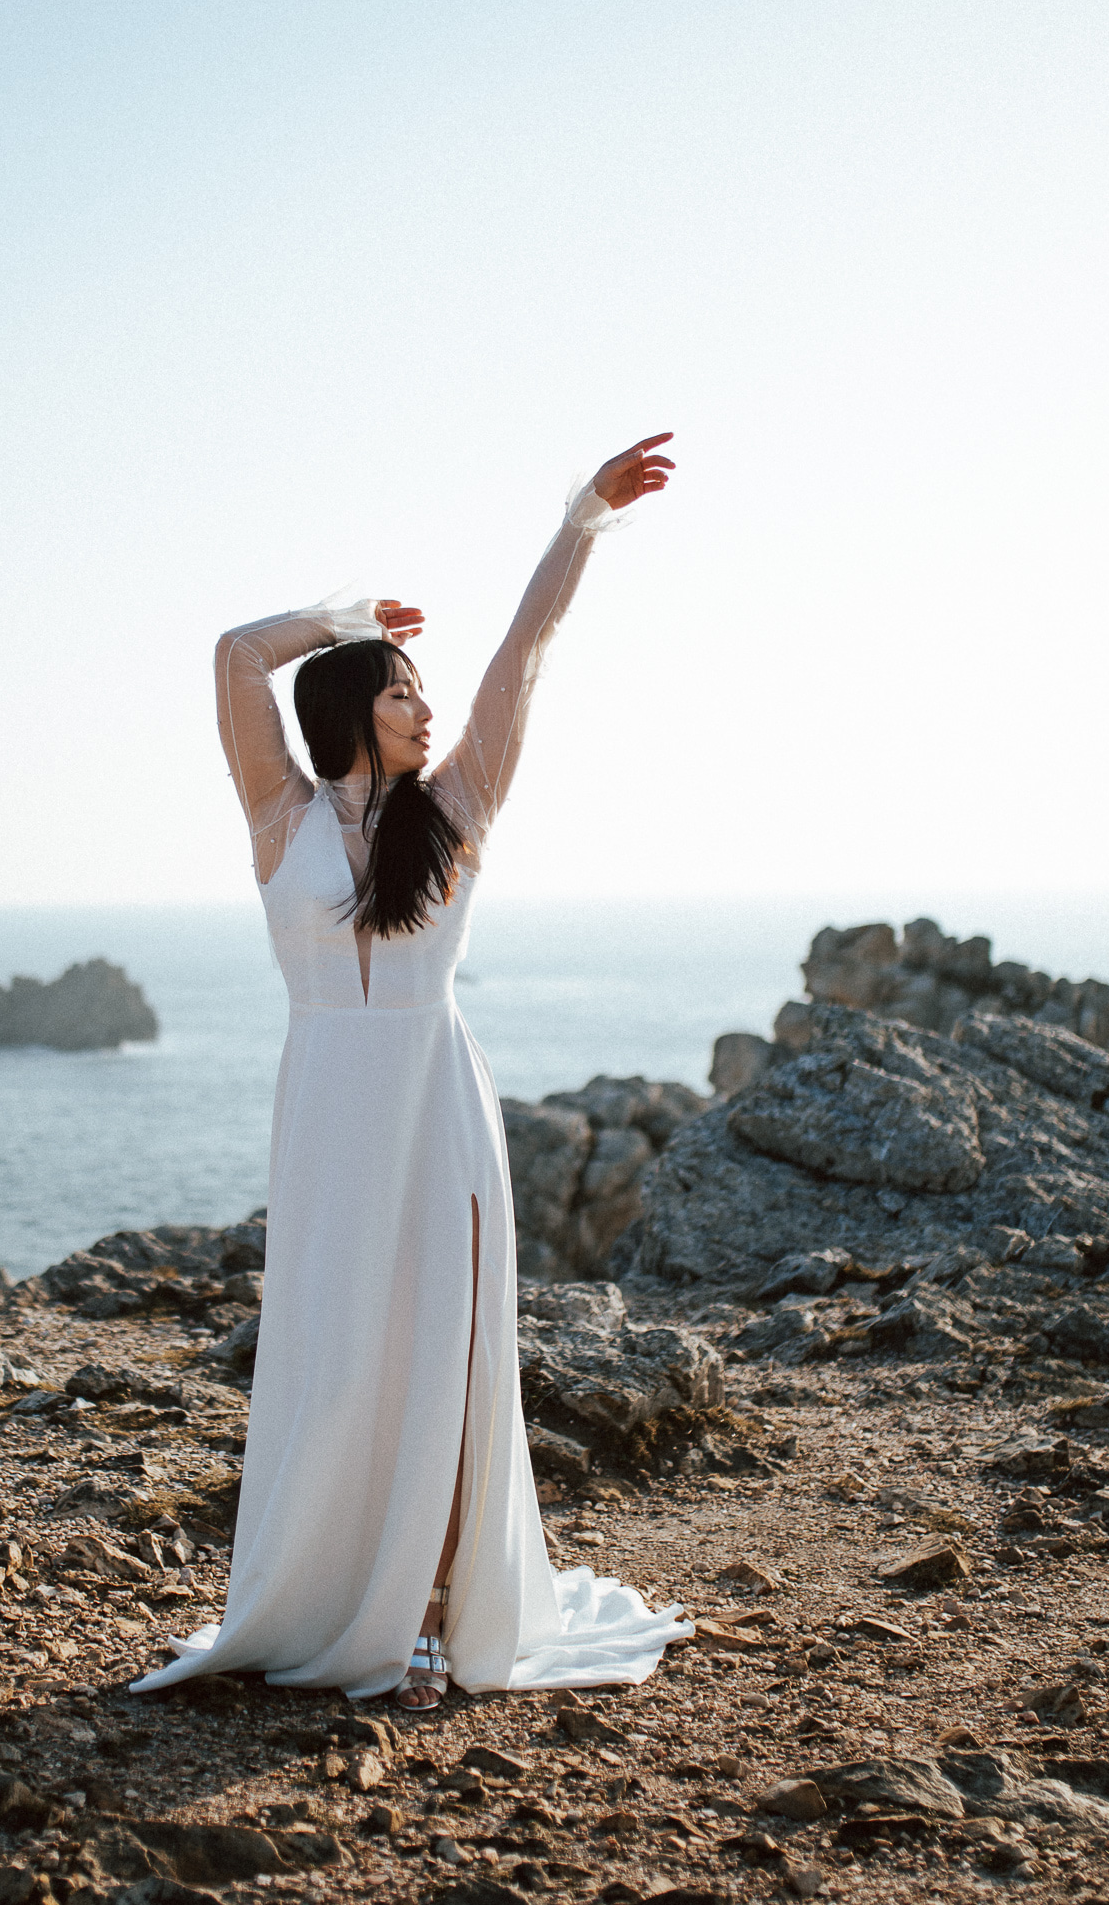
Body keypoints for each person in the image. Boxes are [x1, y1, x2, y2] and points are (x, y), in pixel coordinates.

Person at [131, 435, 693, 1711]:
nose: (423, 709)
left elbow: (520, 657)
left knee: (439, 1356)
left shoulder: (454, 812)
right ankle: (329, 1593)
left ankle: (436, 1608)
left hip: (436, 1106)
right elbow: (233, 658)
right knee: (336, 1360)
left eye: (420, 696)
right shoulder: (279, 810)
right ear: (348, 709)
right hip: (326, 1114)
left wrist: (579, 521)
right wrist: (336, 619)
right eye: (398, 693)